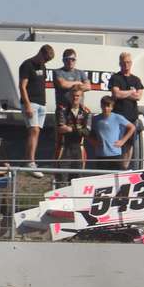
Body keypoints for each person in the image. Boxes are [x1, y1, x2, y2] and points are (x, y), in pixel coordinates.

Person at [18, 43, 54, 175]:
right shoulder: (27, 65)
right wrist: (27, 104)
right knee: (33, 130)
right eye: (45, 59)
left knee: (36, 132)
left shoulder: (43, 66)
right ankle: (30, 162)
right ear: (40, 53)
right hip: (31, 102)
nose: (45, 62)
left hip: (41, 103)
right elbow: (22, 86)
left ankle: (28, 159)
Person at [108, 51, 144, 168]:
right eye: (124, 63)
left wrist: (123, 93)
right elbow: (116, 94)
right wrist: (131, 91)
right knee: (116, 144)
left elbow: (138, 96)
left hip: (131, 119)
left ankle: (124, 168)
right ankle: (116, 168)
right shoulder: (115, 78)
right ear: (120, 63)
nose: (126, 65)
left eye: (128, 62)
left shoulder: (136, 80)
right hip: (117, 118)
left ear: (131, 63)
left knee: (129, 145)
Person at [56, 85, 92, 183]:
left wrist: (70, 129)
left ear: (81, 97)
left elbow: (87, 132)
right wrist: (79, 129)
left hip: (79, 148)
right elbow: (61, 128)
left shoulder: (86, 111)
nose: (75, 98)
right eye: (73, 96)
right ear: (69, 96)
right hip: (64, 148)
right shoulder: (62, 109)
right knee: (62, 180)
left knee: (78, 180)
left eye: (77, 96)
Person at [88, 95, 135, 169]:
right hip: (101, 155)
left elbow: (132, 127)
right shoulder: (95, 119)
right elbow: (88, 133)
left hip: (115, 154)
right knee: (102, 176)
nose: (106, 108)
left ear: (112, 107)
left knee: (116, 175)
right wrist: (94, 142)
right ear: (101, 106)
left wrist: (123, 141)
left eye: (108, 106)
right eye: (104, 106)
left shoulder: (117, 117)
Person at [52, 48, 91, 112]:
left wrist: (70, 85)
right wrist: (79, 83)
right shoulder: (57, 72)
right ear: (63, 60)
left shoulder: (81, 73)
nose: (70, 62)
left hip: (78, 109)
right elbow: (63, 84)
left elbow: (88, 87)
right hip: (63, 109)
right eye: (67, 59)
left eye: (73, 59)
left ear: (75, 60)